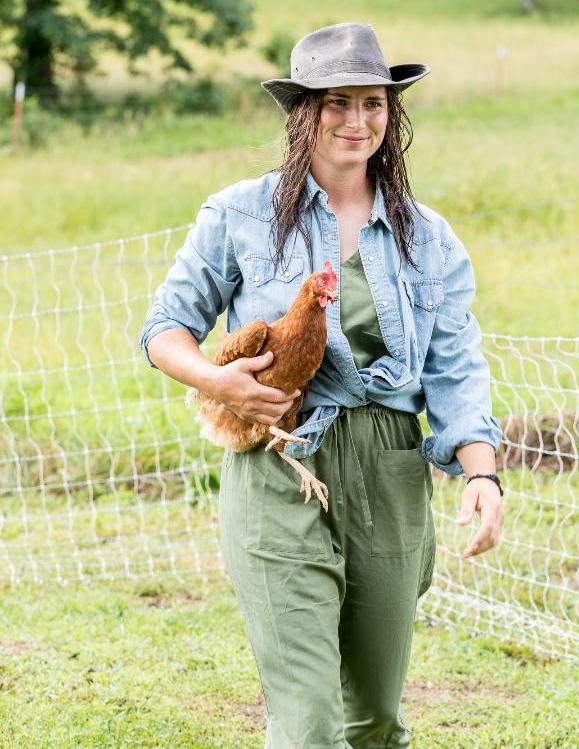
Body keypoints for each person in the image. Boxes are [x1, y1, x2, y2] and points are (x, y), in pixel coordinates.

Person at [139, 22, 504, 749]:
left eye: (373, 103)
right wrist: (220, 380)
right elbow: (164, 329)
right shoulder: (240, 213)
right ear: (304, 111)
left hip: (390, 471)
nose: (357, 121)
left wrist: (482, 472)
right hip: (281, 461)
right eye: (338, 102)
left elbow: (456, 365)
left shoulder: (426, 237)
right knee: (307, 723)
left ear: (391, 117)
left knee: (374, 718)